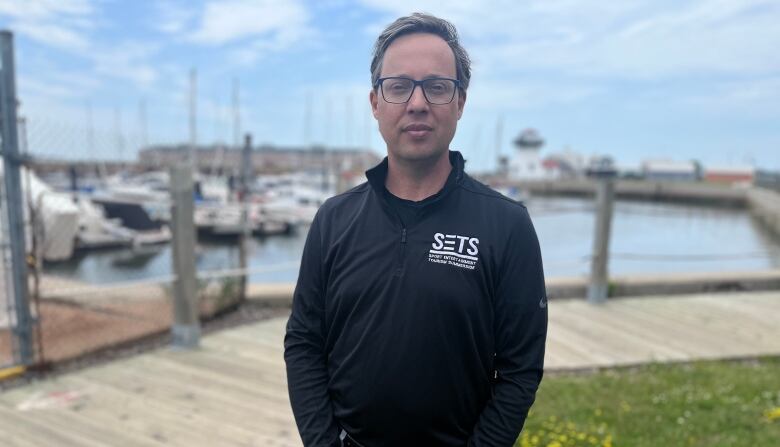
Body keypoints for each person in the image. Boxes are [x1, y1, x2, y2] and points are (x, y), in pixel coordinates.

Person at [284, 12, 548, 447]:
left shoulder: (507, 224)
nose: (418, 102)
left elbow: (520, 370)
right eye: (399, 85)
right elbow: (304, 342)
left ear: (460, 103)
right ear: (375, 102)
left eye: (438, 86)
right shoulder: (334, 219)